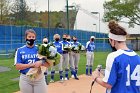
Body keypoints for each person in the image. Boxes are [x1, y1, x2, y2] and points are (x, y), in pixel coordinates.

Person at [92, 20, 140, 93]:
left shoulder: (114, 56)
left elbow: (108, 84)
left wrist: (96, 77)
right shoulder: (137, 57)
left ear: (113, 40)